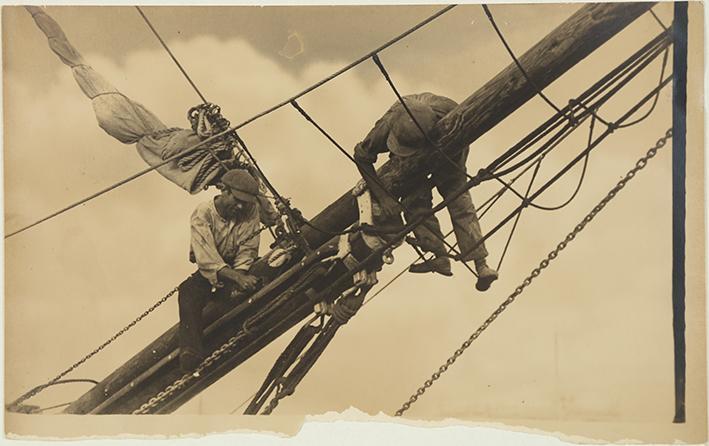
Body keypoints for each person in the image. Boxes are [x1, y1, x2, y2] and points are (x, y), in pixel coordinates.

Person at [353, 92, 498, 292]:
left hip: (447, 143)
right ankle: (439, 255)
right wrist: (384, 198)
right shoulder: (389, 122)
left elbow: (455, 184)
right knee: (414, 198)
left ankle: (481, 264)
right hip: (420, 144)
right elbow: (362, 156)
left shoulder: (452, 122)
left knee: (457, 195)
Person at [178, 169, 263, 372]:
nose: (241, 206)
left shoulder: (250, 212)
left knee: (239, 301)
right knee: (188, 293)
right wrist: (236, 278)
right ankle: (191, 352)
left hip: (239, 268)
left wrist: (240, 276)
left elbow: (248, 249)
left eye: (246, 202)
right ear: (223, 190)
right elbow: (206, 259)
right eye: (237, 199)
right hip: (211, 270)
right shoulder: (203, 213)